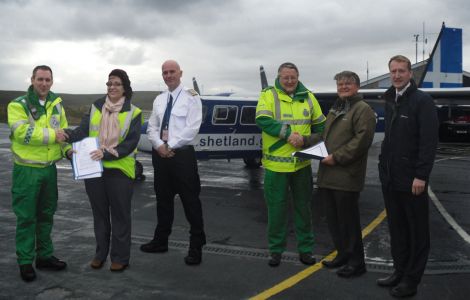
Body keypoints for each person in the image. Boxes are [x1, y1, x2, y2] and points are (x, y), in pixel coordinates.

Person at [64, 69, 142, 272]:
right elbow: (83, 131)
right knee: (99, 214)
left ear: (125, 87)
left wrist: (106, 153)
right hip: (94, 168)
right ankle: (100, 253)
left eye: (116, 83)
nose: (112, 87)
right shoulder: (96, 106)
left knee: (120, 215)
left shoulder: (134, 112)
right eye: (109, 84)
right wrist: (66, 135)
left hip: (119, 169)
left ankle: (120, 257)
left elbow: (130, 144)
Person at [377, 55, 438, 298]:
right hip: (391, 179)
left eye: (401, 71)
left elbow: (428, 142)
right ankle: (399, 271)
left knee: (417, 231)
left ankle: (411, 280)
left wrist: (421, 175)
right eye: (393, 71)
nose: (397, 75)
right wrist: (383, 168)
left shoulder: (422, 101)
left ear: (410, 73)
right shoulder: (391, 99)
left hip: (412, 180)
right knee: (397, 228)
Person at [304, 71, 376, 277]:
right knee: (334, 220)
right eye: (340, 84)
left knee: (348, 221)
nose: (343, 87)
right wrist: (305, 140)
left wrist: (337, 157)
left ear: (357, 87)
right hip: (328, 175)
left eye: (348, 84)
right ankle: (343, 255)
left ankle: (356, 263)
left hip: (346, 175)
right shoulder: (337, 108)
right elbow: (324, 136)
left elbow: (362, 141)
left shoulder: (363, 110)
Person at [255, 62, 326, 267]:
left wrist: (308, 140)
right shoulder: (268, 95)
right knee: (276, 211)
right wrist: (288, 135)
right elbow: (263, 120)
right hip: (276, 167)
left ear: (298, 77)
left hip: (301, 165)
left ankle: (306, 250)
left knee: (304, 210)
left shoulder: (309, 96)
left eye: (292, 77)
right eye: (285, 77)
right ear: (279, 77)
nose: (289, 81)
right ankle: (275, 251)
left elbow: (321, 125)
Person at [140, 60, 206, 265]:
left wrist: (171, 145)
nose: (168, 75)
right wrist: (160, 145)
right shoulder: (159, 100)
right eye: (165, 72)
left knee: (190, 201)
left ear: (180, 73)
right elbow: (152, 126)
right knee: (163, 200)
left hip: (182, 156)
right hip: (161, 156)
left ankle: (196, 245)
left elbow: (192, 127)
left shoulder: (191, 97)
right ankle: (161, 240)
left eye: (172, 72)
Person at [8, 65, 70, 282]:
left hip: (49, 170)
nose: (44, 84)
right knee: (26, 217)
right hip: (27, 170)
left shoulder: (57, 104)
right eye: (40, 79)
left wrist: (68, 150)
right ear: (32, 80)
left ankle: (44, 256)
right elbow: (22, 132)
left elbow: (64, 134)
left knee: (46, 214)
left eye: (48, 80)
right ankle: (25, 261)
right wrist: (54, 136)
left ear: (52, 81)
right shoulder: (18, 105)